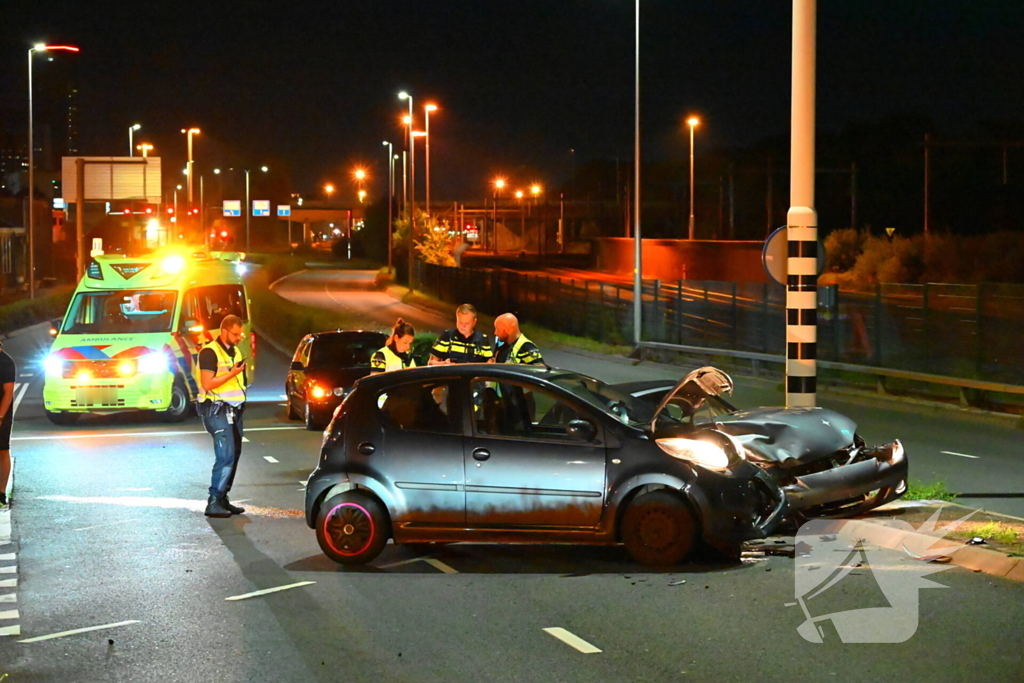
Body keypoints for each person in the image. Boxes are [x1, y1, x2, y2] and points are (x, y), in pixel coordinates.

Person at [195, 314, 248, 518]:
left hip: (234, 410)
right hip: (216, 410)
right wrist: (232, 373)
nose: (238, 338)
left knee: (234, 455)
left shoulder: (235, 351)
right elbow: (208, 383)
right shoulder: (209, 352)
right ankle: (214, 501)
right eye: (235, 334)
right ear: (224, 330)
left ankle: (223, 498)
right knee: (225, 456)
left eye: (240, 334)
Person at [429, 303, 493, 365]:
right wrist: (444, 364)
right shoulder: (447, 336)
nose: (463, 326)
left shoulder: (482, 340)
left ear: (474, 322)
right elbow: (431, 362)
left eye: (467, 323)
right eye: (460, 322)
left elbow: (490, 364)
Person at [0, 341, 16, 509]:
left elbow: (8, 393)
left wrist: (0, 417)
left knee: (2, 450)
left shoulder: (5, 362)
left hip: (1, 415)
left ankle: (1, 492)